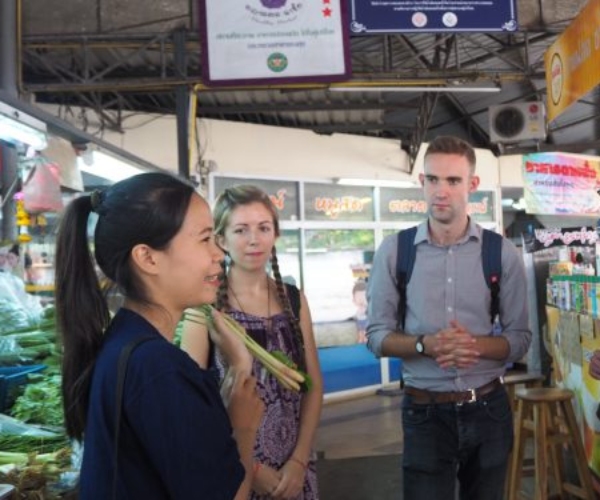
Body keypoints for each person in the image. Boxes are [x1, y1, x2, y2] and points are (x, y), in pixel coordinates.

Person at [54, 172, 264, 499]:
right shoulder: (159, 368)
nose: (218, 254)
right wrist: (243, 427)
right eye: (205, 238)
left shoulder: (125, 342)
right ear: (148, 258)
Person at [366, 136, 532, 500]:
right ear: (422, 182)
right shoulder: (395, 252)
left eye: (453, 181)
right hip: (424, 412)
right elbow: (377, 336)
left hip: (489, 408)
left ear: (472, 185)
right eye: (432, 179)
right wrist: (427, 344)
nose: (441, 191)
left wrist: (472, 346)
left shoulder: (500, 254)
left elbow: (520, 338)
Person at [181, 185, 323, 500]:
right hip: (235, 468)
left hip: (294, 470)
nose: (254, 239)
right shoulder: (203, 307)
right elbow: (192, 405)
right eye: (241, 230)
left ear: (275, 233)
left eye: (263, 228)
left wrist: (299, 460)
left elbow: (313, 386)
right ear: (221, 239)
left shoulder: (294, 300)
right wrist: (252, 469)